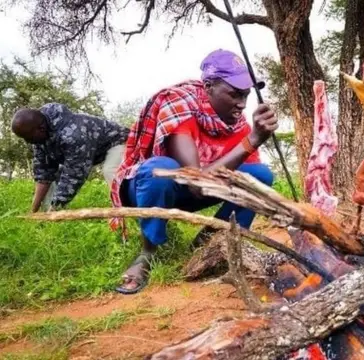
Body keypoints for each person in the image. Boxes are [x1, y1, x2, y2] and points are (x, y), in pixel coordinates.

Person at [110, 49, 278, 294]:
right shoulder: (179, 105)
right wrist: (252, 140)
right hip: (152, 191)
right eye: (234, 94)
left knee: (260, 176)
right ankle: (147, 253)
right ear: (208, 86)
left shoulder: (237, 123)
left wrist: (249, 140)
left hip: (191, 193)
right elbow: (195, 184)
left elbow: (239, 176)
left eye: (246, 95)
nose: (241, 104)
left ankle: (212, 240)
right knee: (161, 169)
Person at [11, 104, 128, 212]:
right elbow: (43, 175)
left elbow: (74, 174)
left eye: (28, 137)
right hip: (94, 149)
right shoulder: (39, 138)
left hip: (118, 141)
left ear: (41, 128)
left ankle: (126, 211)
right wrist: (33, 210)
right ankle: (46, 218)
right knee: (55, 177)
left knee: (110, 170)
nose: (27, 142)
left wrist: (56, 207)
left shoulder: (73, 134)